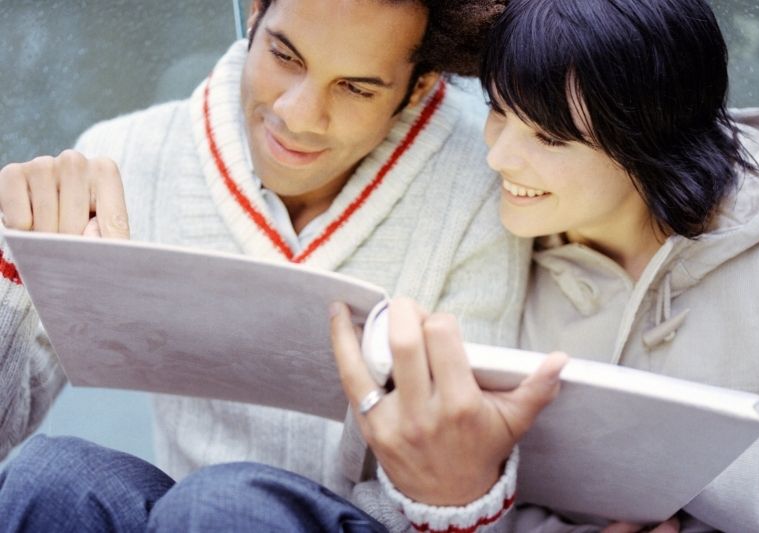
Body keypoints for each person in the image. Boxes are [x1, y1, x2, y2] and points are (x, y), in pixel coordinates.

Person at [0, 1, 566, 531]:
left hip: (353, 520)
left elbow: (465, 475)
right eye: (284, 55)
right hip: (186, 513)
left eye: (354, 88)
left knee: (224, 505)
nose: (297, 116)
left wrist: (450, 494)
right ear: (255, 12)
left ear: (418, 88)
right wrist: (16, 273)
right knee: (51, 477)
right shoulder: (128, 157)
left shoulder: (481, 183)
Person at [331, 0, 759, 531]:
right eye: (498, 110)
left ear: (653, 137)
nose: (499, 157)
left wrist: (679, 440)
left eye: (549, 138)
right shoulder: (495, 242)